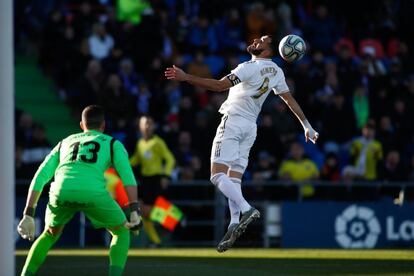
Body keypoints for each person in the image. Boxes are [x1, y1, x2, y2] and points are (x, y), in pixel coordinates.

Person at [165, 35, 319, 252]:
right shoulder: (277, 72)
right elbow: (289, 99)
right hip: (250, 128)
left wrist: (185, 76)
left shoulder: (248, 67)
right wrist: (307, 125)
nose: (256, 40)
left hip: (233, 122)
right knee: (233, 179)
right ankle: (234, 222)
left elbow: (219, 86)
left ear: (268, 50)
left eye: (262, 40)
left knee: (217, 175)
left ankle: (246, 209)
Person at [17, 105, 142, 276]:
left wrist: (28, 213)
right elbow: (128, 177)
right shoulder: (112, 143)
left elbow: (40, 176)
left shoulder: (65, 142)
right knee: (121, 231)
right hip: (92, 193)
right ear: (103, 125)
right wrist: (134, 209)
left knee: (49, 234)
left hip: (61, 192)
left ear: (82, 125)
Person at [129, 115, 176, 246]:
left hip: (156, 179)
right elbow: (136, 159)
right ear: (140, 126)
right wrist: (122, 163)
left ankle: (175, 222)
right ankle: (155, 240)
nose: (148, 126)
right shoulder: (140, 143)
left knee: (147, 211)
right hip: (145, 180)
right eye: (145, 123)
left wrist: (166, 176)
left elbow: (170, 159)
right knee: (144, 212)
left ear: (154, 126)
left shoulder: (158, 142)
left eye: (150, 123)